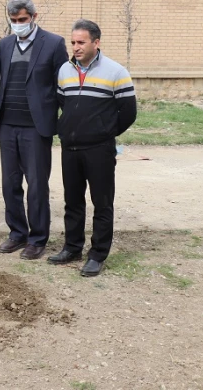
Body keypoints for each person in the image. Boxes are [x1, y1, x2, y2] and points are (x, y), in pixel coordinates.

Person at [48, 19, 136, 277]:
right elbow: (64, 102)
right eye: (73, 42)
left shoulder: (116, 72)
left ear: (96, 43)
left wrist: (104, 132)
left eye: (81, 42)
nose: (75, 47)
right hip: (70, 149)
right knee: (72, 201)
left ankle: (97, 254)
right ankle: (72, 247)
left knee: (102, 203)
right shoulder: (65, 70)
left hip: (99, 149)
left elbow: (128, 112)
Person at [0, 0, 69, 260]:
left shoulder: (54, 44)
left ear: (33, 17)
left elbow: (63, 86)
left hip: (36, 128)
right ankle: (17, 233)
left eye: (22, 20)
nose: (18, 25)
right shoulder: (4, 45)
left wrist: (62, 120)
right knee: (9, 184)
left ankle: (38, 238)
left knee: (37, 185)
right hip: (7, 126)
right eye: (13, 21)